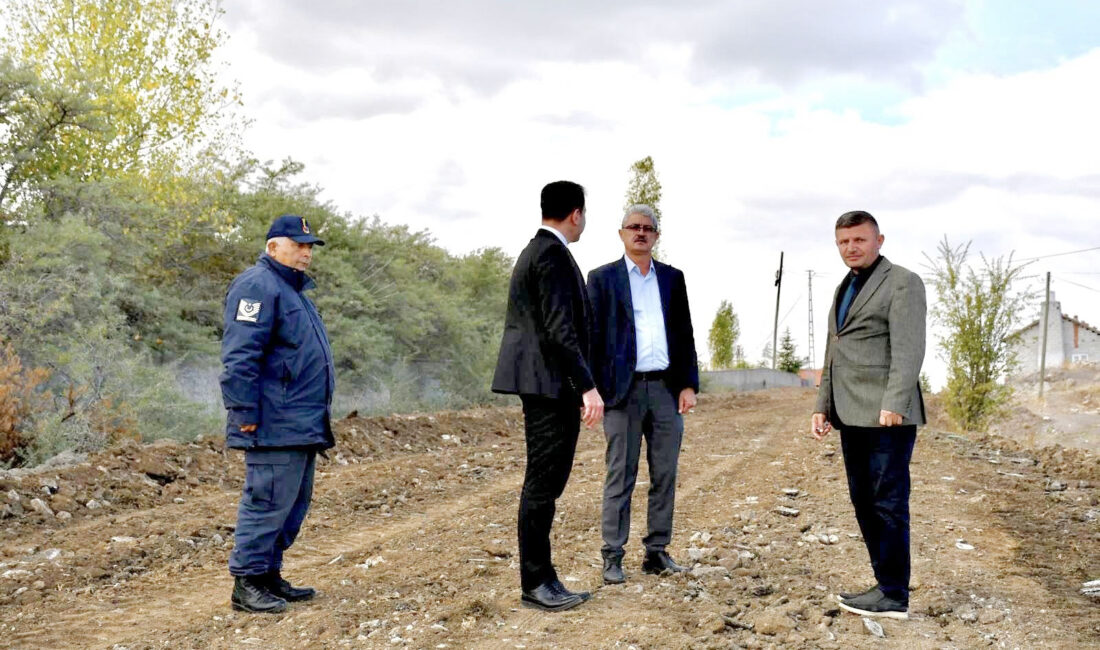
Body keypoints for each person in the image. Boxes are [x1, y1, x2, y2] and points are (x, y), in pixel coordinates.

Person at [491, 180, 604, 612]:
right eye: (584, 214)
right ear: (576, 213)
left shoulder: (538, 251)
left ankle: (543, 577)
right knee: (543, 483)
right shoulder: (552, 255)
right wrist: (587, 386)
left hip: (545, 385)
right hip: (548, 387)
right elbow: (561, 331)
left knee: (546, 482)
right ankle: (536, 582)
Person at [811, 210, 926, 620]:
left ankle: (894, 594)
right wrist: (822, 405)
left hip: (886, 416)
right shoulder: (846, 286)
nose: (851, 248)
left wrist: (895, 401)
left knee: (889, 503)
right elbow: (834, 350)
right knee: (863, 501)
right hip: (850, 413)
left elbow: (910, 348)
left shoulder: (902, 282)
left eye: (859, 240)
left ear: (879, 240)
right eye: (843, 242)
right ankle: (884, 585)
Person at [220, 214, 335, 614]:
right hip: (272, 422)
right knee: (266, 503)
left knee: (291, 506)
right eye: (299, 244)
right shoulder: (257, 285)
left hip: (300, 422)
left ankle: (268, 576)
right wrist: (244, 411)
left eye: (309, 246)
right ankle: (247, 583)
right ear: (273, 247)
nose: (306, 253)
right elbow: (240, 356)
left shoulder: (293, 291)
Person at [586, 205, 699, 584]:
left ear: (656, 236)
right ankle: (612, 556)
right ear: (621, 234)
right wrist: (592, 388)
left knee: (665, 472)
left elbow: (684, 333)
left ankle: (656, 552)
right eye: (633, 227)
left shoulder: (672, 279)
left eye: (648, 228)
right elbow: (592, 338)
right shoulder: (602, 280)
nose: (640, 233)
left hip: (666, 389)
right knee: (621, 473)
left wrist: (688, 384)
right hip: (622, 391)